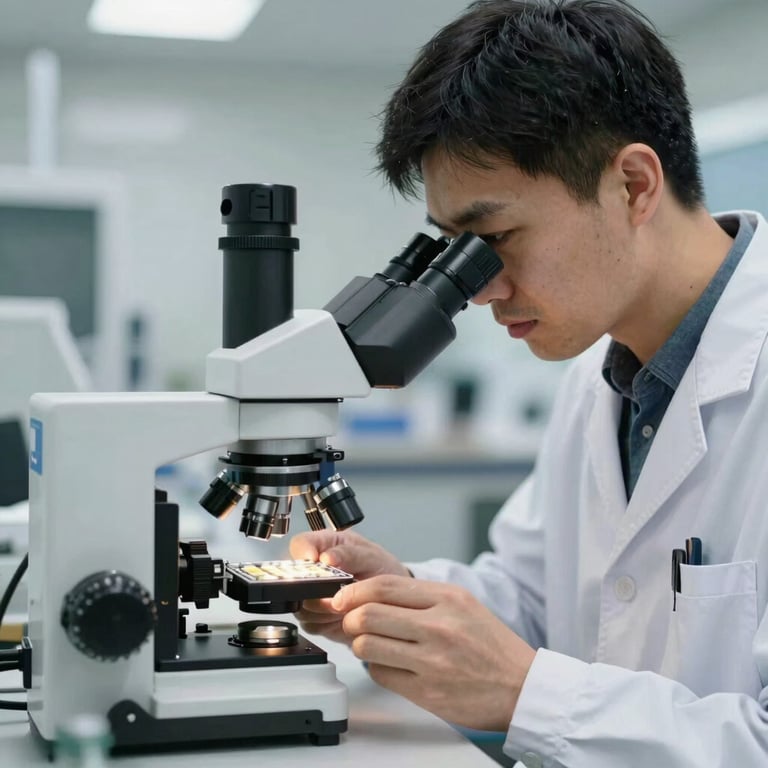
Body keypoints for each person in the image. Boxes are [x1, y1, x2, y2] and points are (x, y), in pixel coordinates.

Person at [290, 1, 768, 765]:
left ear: (635, 185)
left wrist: (525, 696)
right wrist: (397, 595)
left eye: (497, 241)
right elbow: (538, 600)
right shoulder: (599, 376)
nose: (478, 291)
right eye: (455, 254)